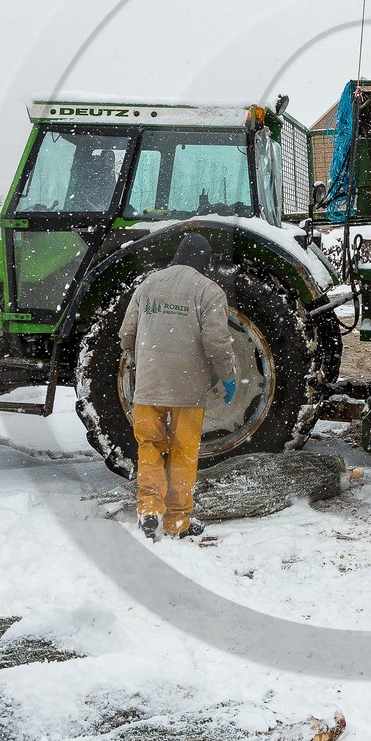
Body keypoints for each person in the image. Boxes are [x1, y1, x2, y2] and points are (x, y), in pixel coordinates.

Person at [118, 232, 237, 541]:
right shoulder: (209, 291)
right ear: (205, 261)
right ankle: (177, 522)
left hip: (148, 387)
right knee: (183, 453)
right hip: (188, 388)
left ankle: (148, 509)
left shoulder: (148, 284)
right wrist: (227, 375)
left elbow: (127, 333)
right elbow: (217, 342)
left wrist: (141, 362)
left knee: (150, 447)